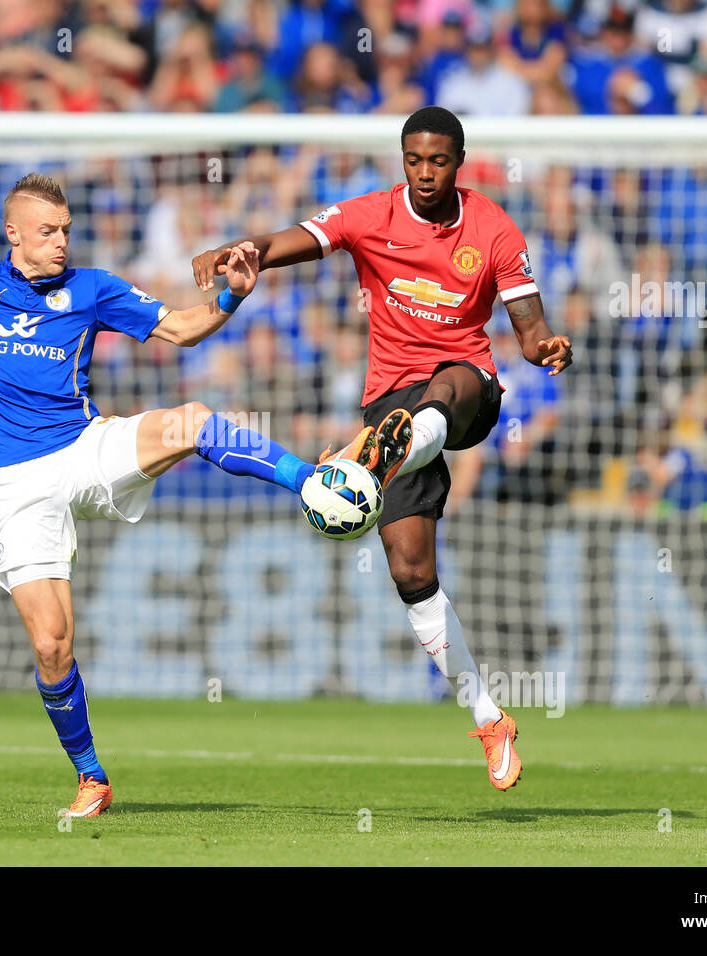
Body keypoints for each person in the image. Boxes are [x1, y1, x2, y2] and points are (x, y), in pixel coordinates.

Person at [0, 152, 381, 816]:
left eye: (66, 229)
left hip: (83, 447)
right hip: (14, 484)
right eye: (48, 231)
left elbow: (184, 330)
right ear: (14, 233)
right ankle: (91, 775)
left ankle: (308, 480)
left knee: (193, 421)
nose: (62, 241)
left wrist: (231, 295)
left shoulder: (92, 288)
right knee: (51, 643)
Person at [192, 106, 575, 791]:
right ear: (404, 160)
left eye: (438, 161)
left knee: (450, 387)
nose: (425, 173)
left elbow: (530, 326)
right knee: (410, 571)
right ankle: (490, 719)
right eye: (414, 160)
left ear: (459, 161)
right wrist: (239, 249)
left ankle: (395, 446)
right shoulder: (371, 215)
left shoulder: (493, 228)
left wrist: (545, 347)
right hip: (388, 404)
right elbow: (294, 241)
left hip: (466, 391)